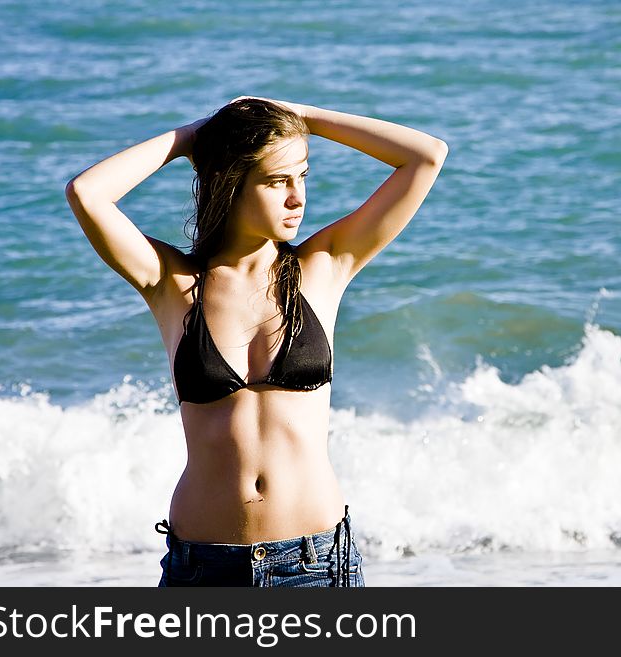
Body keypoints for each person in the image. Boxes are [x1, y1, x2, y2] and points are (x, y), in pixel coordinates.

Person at [65, 97, 447, 586]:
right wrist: (195, 138)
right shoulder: (172, 284)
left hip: (314, 566)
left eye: (303, 176)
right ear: (230, 184)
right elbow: (87, 193)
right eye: (276, 181)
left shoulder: (323, 268)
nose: (297, 198)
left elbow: (426, 155)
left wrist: (298, 118)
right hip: (203, 568)